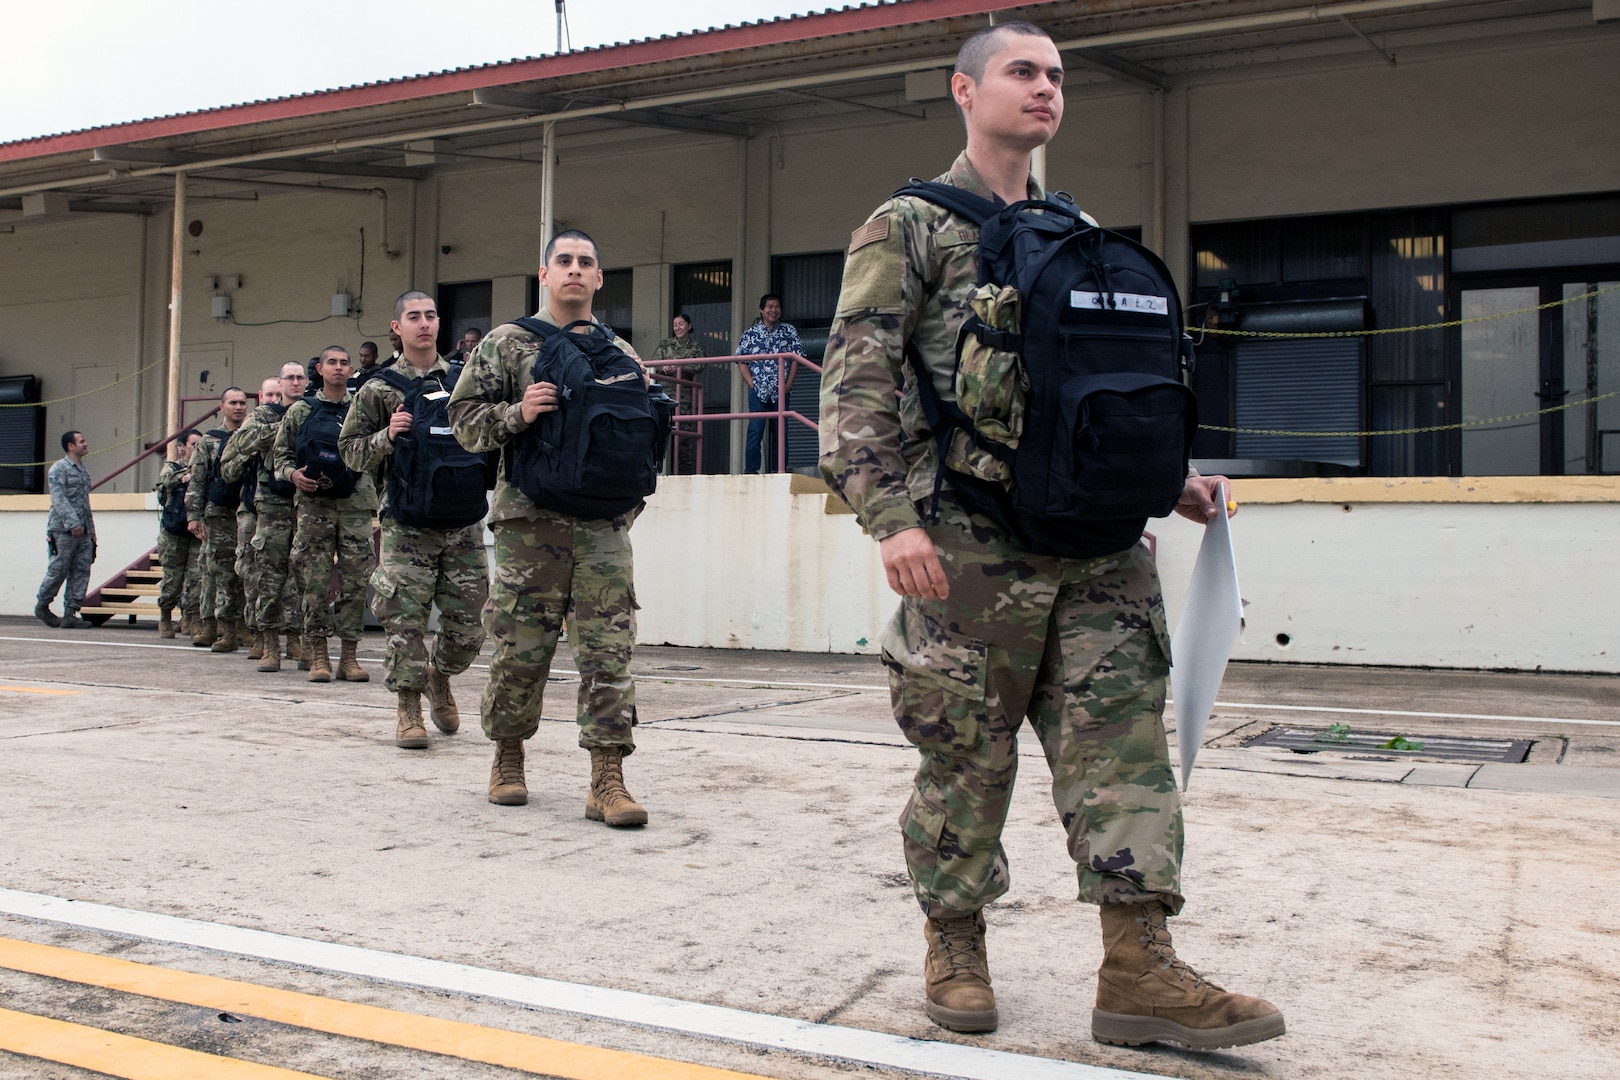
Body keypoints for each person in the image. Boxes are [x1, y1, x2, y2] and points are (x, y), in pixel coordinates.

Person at [818, 20, 1284, 1051]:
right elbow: (855, 385)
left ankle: (1140, 970)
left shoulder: (1079, 230)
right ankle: (955, 942)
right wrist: (890, 519)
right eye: (1022, 72)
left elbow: (1093, 391)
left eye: (1057, 76)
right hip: (970, 549)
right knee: (964, 760)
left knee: (1124, 756)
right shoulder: (906, 227)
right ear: (964, 89)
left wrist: (1165, 485)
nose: (1044, 90)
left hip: (1101, 549)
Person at [448, 229, 648, 824]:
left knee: (610, 653)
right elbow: (462, 422)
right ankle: (508, 756)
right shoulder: (506, 345)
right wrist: (518, 412)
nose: (575, 271)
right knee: (520, 648)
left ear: (600, 278)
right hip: (529, 525)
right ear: (544, 274)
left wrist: (624, 510)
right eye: (564, 261)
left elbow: (643, 443)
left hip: (604, 528)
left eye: (587, 262)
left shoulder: (622, 353)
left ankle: (606, 778)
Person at [339, 291, 489, 749]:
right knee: (405, 621)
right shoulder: (377, 388)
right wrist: (388, 435)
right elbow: (350, 451)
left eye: (430, 315)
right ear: (396, 327)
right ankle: (408, 708)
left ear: (439, 323)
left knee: (468, 628)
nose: (423, 324)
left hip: (463, 523)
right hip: (407, 524)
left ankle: (439, 676)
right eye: (413, 317)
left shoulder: (465, 380)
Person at [274, 346, 378, 684]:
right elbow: (280, 455)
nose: (338, 368)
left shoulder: (363, 408)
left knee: (356, 580)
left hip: (355, 503)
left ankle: (349, 655)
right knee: (315, 581)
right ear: (319, 368)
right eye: (331, 362)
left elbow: (381, 451)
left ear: (350, 370)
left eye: (343, 363)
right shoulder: (302, 410)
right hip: (313, 505)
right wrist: (293, 475)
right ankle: (318, 652)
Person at [222, 370, 305, 670]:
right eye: (289, 378)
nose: (295, 383)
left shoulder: (312, 409)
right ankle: (267, 640)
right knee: (266, 575)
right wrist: (283, 427)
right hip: (270, 502)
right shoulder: (261, 417)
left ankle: (297, 639)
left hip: (306, 502)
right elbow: (240, 445)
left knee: (301, 576)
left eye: (300, 377)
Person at [185, 387, 251, 650]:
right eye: (233, 403)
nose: (238, 407)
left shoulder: (251, 436)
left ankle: (245, 626)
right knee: (218, 571)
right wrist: (193, 515)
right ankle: (217, 626)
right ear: (221, 406)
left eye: (242, 403)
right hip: (218, 513)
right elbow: (197, 480)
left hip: (247, 511)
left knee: (246, 572)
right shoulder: (209, 440)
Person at [736, 294, 804, 474]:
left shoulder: (789, 331)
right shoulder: (750, 334)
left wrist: (788, 384)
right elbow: (741, 360)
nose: (774, 310)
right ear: (761, 309)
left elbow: (796, 359)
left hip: (780, 390)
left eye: (777, 307)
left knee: (780, 432)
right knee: (755, 430)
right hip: (758, 390)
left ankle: (778, 470)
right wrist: (751, 383)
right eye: (770, 307)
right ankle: (751, 470)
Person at [34, 430, 95, 629]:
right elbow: (58, 498)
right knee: (58, 569)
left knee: (81, 570)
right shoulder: (59, 469)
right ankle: (43, 605)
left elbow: (85, 503)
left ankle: (71, 613)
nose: (85, 444)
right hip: (63, 530)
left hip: (83, 530)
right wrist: (72, 523)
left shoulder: (83, 470)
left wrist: (92, 533)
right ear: (71, 446)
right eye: (81, 441)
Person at [154, 430, 202, 638]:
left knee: (196, 578)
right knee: (173, 580)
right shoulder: (172, 468)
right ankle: (165, 616)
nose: (197, 449)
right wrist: (186, 475)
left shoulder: (205, 467)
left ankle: (190, 618)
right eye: (193, 444)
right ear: (182, 447)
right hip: (173, 533)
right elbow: (167, 481)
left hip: (196, 533)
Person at [650, 312, 705, 474]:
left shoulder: (696, 347)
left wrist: (680, 367)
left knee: (683, 438)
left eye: (681, 324)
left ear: (689, 326)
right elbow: (654, 363)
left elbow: (700, 366)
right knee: (660, 434)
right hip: (665, 397)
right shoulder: (666, 344)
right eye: (675, 325)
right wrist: (664, 367)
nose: (678, 328)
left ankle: (682, 474)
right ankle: (656, 470)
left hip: (684, 398)